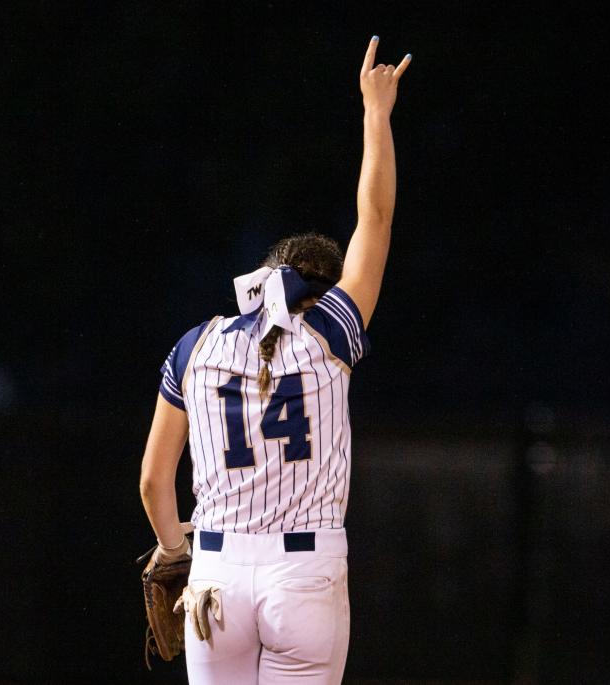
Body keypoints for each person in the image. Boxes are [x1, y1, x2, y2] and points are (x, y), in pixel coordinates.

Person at [139, 37, 410, 684]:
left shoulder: (195, 346)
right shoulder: (328, 336)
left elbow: (154, 481)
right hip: (303, 575)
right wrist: (377, 114)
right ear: (323, 291)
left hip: (215, 576)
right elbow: (375, 217)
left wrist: (175, 550)